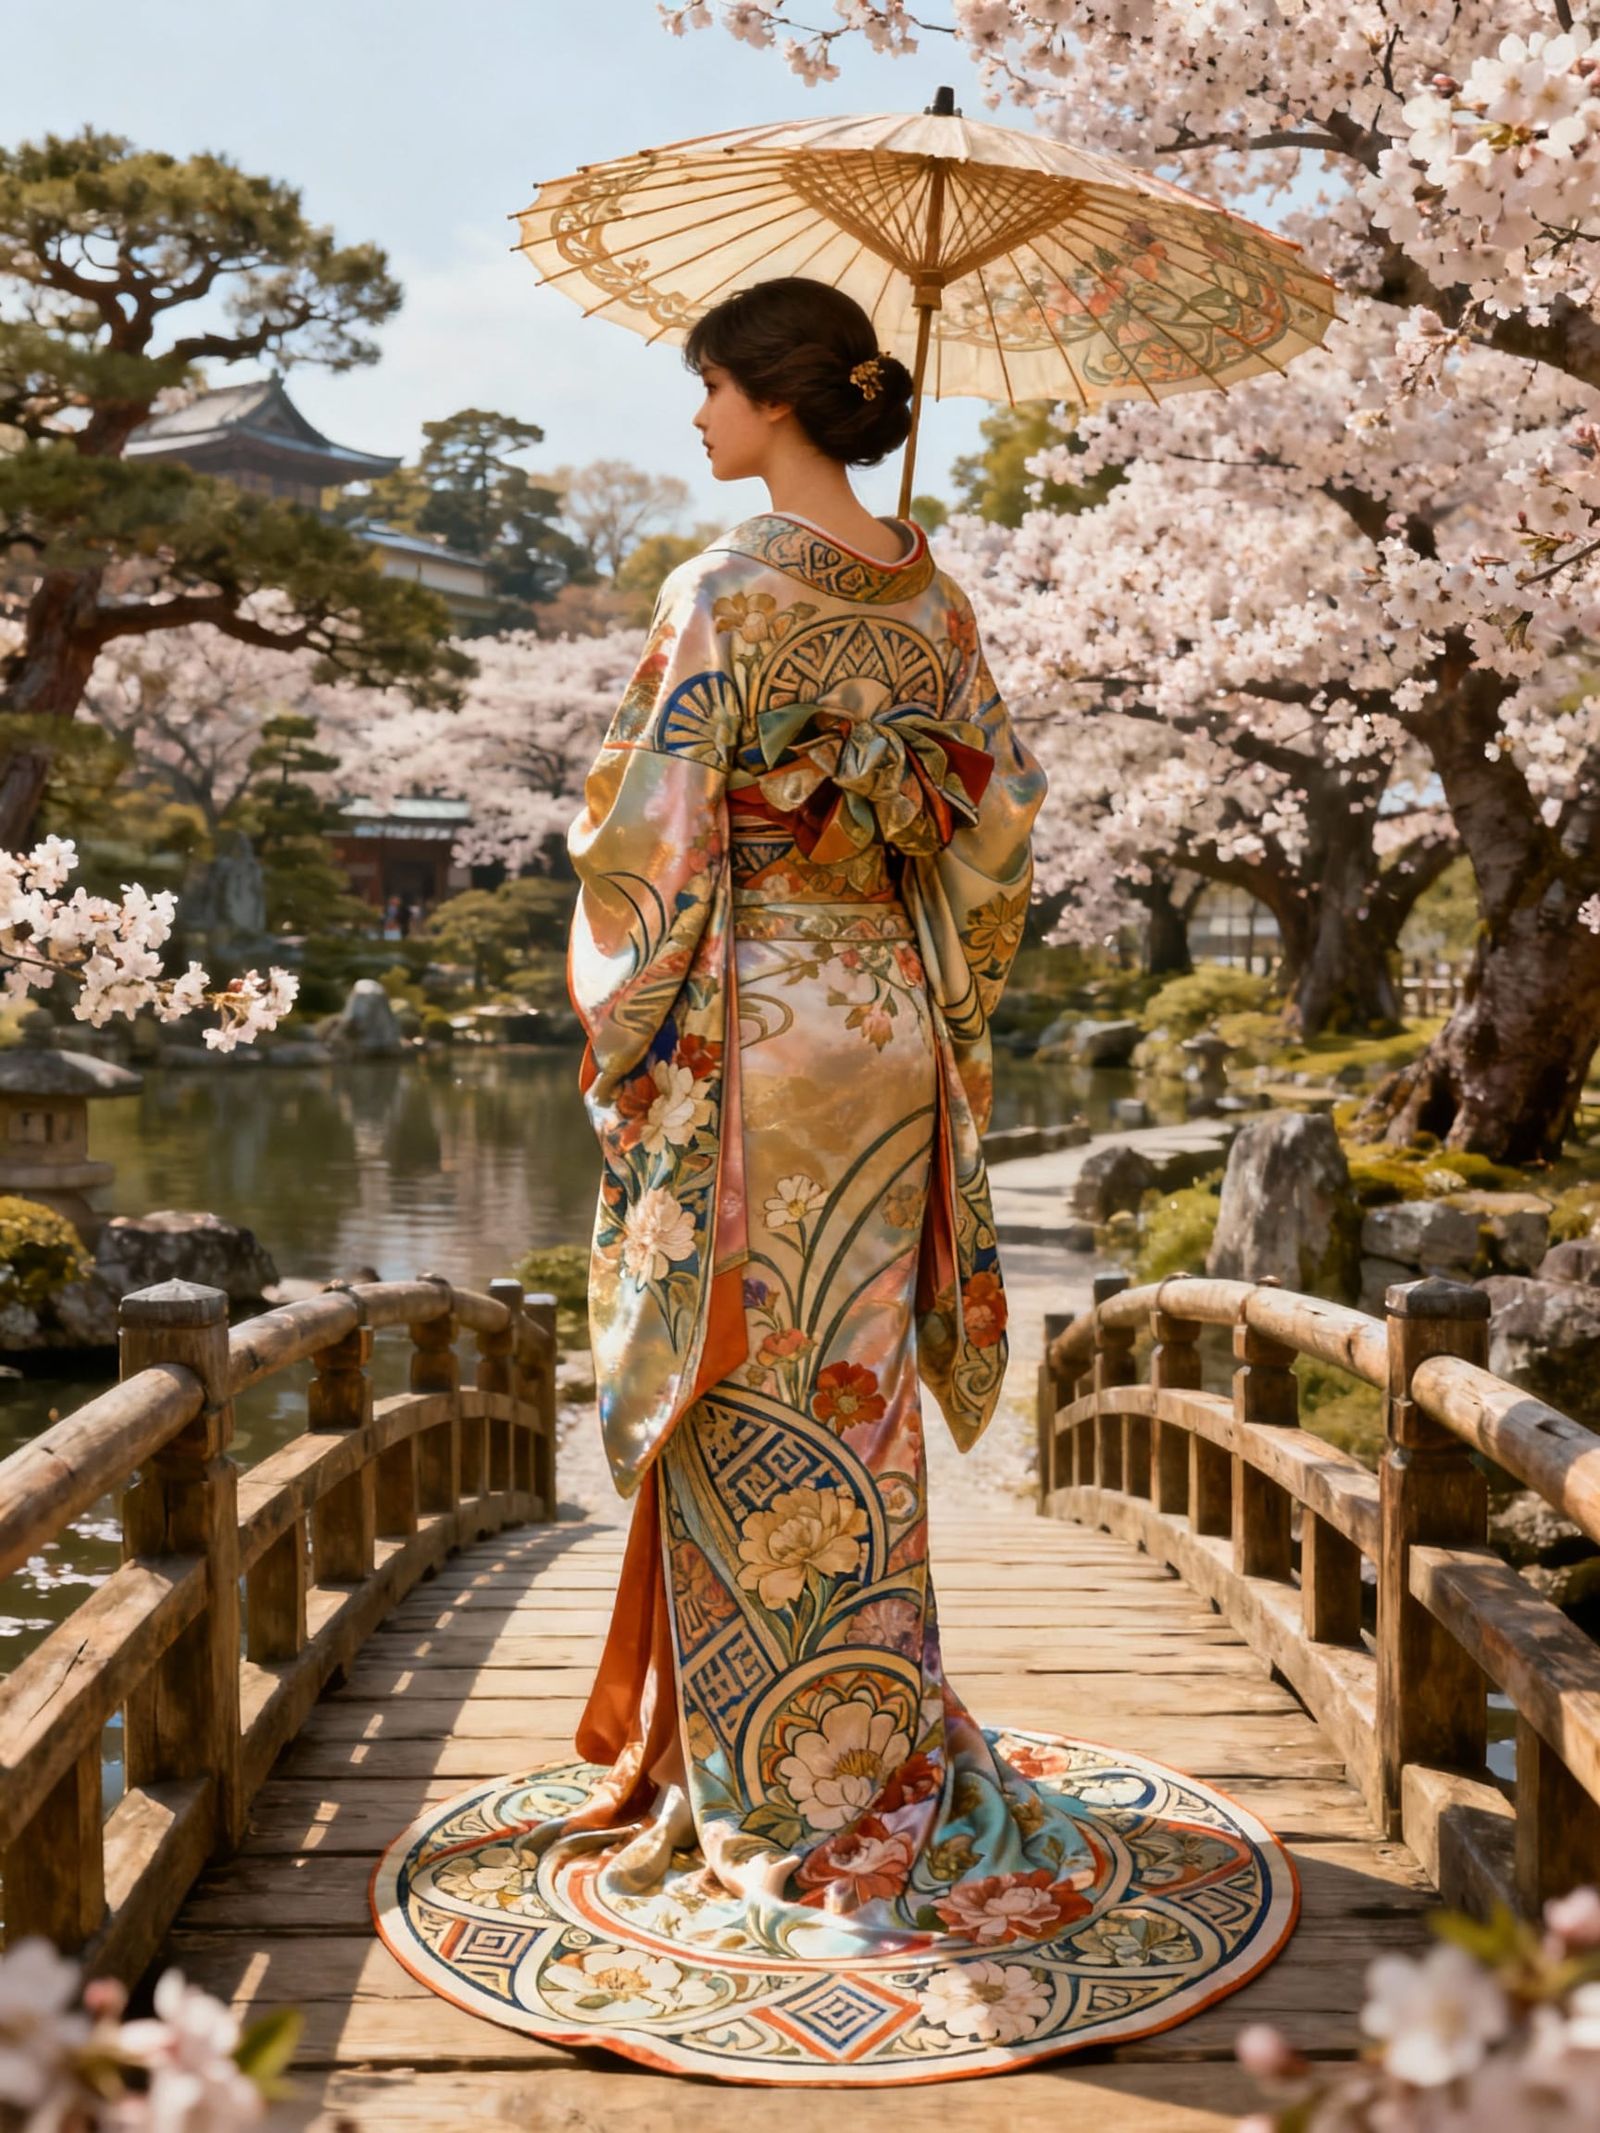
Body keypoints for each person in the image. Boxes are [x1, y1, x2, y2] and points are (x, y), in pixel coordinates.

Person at [373, 277, 1297, 2083]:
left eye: (709, 389)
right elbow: (997, 826)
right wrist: (879, 813)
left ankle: (762, 1784)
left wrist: (633, 1012)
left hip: (746, 1044)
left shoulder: (722, 589)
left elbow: (639, 838)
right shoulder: (936, 598)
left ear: (780, 401)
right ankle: (873, 1761)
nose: (696, 421)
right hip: (882, 1030)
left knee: (735, 1386)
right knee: (849, 1401)